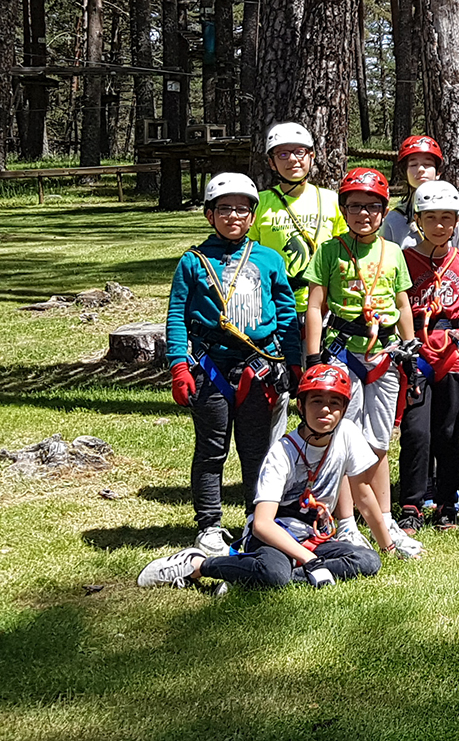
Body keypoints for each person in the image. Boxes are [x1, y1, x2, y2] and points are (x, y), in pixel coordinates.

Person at [136, 364, 402, 594]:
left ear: (344, 409)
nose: (326, 409)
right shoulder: (282, 453)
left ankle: (248, 574)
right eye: (316, 401)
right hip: (274, 537)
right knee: (274, 574)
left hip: (312, 536)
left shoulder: (347, 434)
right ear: (301, 406)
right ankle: (197, 565)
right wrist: (310, 560)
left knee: (367, 560)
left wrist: (388, 547)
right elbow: (262, 524)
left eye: (335, 403)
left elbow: (363, 496)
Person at [166, 173, 300, 556]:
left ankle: (256, 521)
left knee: (257, 451)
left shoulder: (268, 259)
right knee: (211, 450)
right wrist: (178, 366)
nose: (234, 216)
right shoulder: (193, 262)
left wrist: (294, 363)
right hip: (210, 369)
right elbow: (176, 315)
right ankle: (209, 525)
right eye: (224, 209)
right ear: (209, 215)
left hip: (258, 370)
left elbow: (287, 313)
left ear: (252, 215)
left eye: (242, 209)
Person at [301, 167, 423, 556]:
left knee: (379, 440)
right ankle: (346, 522)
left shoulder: (393, 253)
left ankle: (384, 519)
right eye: (354, 206)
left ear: (384, 211)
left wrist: (411, 350)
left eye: (372, 207)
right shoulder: (329, 251)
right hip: (343, 353)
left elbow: (403, 304)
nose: (363, 214)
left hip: (385, 355)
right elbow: (315, 306)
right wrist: (313, 358)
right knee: (341, 437)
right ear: (343, 209)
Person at [395, 180, 459, 534]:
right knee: (416, 432)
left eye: (447, 217)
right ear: (417, 220)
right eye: (431, 218)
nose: (440, 225)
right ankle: (411, 504)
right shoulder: (404, 259)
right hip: (417, 352)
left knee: (448, 431)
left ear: (457, 221)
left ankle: (447, 502)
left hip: (451, 353)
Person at [249, 122, 344, 315]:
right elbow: (248, 254)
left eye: (300, 152)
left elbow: (346, 249)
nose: (292, 159)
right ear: (272, 163)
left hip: (324, 304)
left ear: (312, 156)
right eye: (282, 154)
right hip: (277, 305)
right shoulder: (260, 203)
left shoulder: (331, 200)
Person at [379, 134, 459, 254]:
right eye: (413, 165)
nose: (421, 169)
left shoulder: (454, 215)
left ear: (438, 172)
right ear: (404, 172)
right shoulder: (393, 219)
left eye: (428, 164)